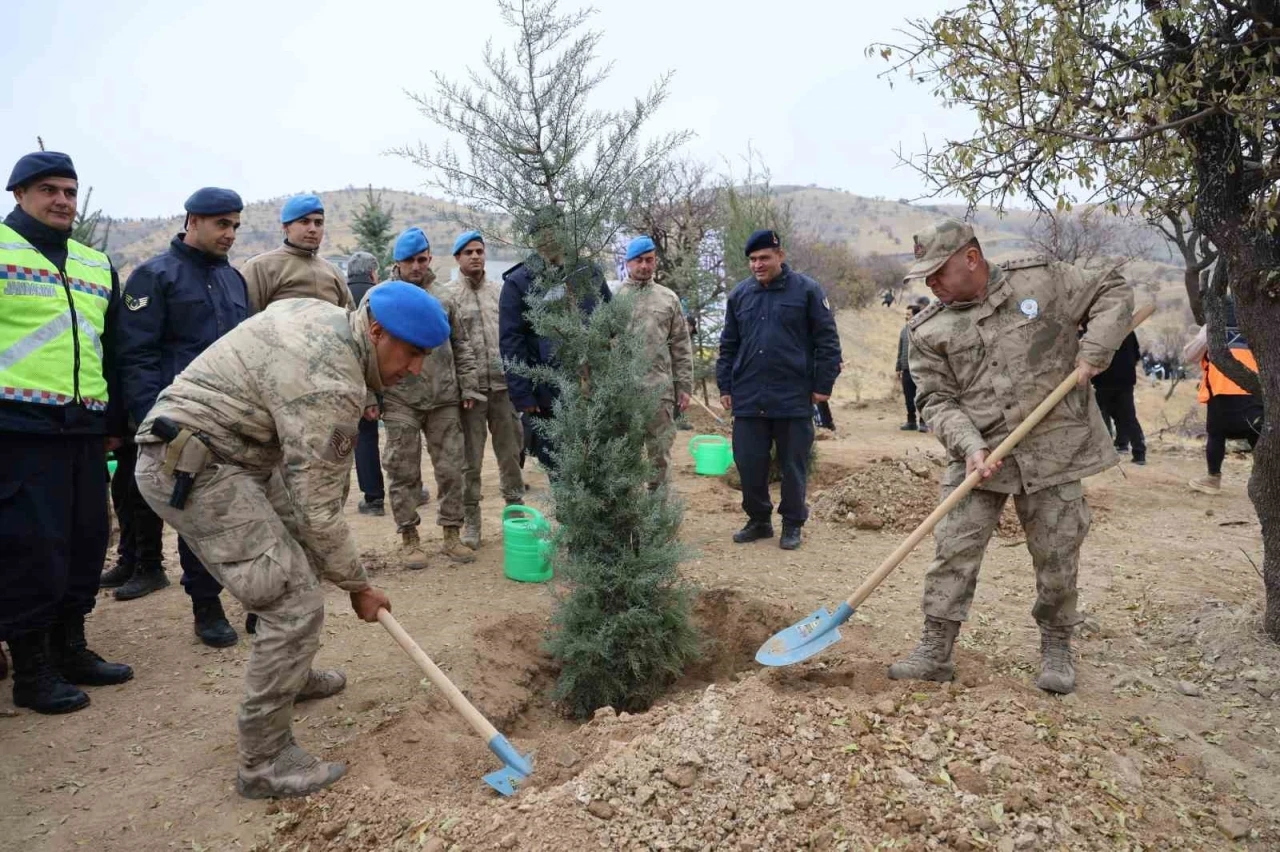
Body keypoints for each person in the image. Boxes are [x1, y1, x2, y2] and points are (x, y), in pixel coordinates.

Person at [134, 282, 446, 798]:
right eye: (412, 353)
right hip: (194, 468)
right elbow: (319, 509)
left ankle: (291, 676)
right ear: (376, 330)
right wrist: (359, 586)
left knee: (299, 561)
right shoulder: (332, 384)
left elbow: (308, 511)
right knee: (292, 599)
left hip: (236, 454)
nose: (415, 370)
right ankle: (265, 763)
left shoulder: (324, 316)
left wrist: (340, 572)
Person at [891, 218, 1132, 695]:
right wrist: (971, 446)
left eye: (938, 272)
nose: (931, 284)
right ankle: (935, 647)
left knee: (1058, 553)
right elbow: (935, 401)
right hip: (980, 454)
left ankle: (1057, 645)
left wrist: (1095, 349)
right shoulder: (928, 331)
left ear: (971, 257)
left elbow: (1112, 286)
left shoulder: (1042, 280)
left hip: (1054, 451)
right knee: (953, 548)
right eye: (926, 277)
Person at [0, 151, 133, 714]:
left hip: (84, 428)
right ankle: (31, 671)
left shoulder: (94, 263)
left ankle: (71, 647)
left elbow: (115, 348)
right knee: (34, 548)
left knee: (85, 540)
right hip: (18, 428)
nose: (62, 201)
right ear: (18, 194)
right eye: (48, 190)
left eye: (70, 192)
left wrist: (114, 422)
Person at [111, 188, 252, 647]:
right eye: (221, 224)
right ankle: (206, 608)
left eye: (234, 225)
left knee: (246, 513)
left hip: (234, 419)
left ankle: (257, 601)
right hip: (180, 423)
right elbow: (136, 355)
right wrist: (153, 421)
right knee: (196, 517)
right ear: (193, 220)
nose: (229, 233)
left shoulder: (234, 281)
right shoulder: (155, 276)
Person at [716, 229, 843, 551]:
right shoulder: (739, 296)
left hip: (792, 394)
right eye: (752, 260)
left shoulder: (808, 291)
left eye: (764, 258)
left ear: (780, 256)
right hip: (749, 395)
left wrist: (822, 385)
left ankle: (792, 523)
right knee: (749, 461)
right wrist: (725, 385)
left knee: (792, 464)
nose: (757, 265)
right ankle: (759, 520)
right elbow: (728, 345)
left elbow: (827, 341)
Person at [381, 228, 481, 569]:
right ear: (397, 262)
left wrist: (467, 385)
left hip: (443, 396)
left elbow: (461, 345)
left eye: (422, 259)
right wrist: (369, 395)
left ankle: (452, 534)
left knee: (452, 468)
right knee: (402, 469)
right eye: (409, 260)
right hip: (399, 399)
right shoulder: (383, 298)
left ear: (430, 259)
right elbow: (366, 350)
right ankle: (409, 538)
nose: (416, 266)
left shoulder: (444, 297)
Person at [499, 206, 612, 471]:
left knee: (602, 464)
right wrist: (523, 395)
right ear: (534, 239)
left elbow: (611, 321)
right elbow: (511, 342)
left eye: (555, 230)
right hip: (549, 396)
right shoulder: (519, 283)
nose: (549, 238)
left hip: (596, 389)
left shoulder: (589, 272)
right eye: (542, 233)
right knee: (561, 469)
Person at [440, 231, 524, 548]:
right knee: (469, 462)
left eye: (479, 251)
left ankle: (515, 514)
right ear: (457, 258)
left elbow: (515, 335)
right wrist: (461, 387)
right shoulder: (448, 297)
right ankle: (471, 522)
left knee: (510, 456)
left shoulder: (502, 293)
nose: (475, 256)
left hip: (504, 388)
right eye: (468, 252)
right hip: (470, 395)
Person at [617, 235, 694, 488]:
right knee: (624, 456)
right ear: (628, 263)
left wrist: (684, 386)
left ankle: (656, 515)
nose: (644, 266)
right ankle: (626, 514)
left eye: (649, 260)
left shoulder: (668, 299)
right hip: (623, 393)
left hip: (658, 391)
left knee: (658, 456)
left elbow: (681, 345)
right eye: (638, 260)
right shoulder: (613, 298)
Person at [1183, 303, 1263, 495]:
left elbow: (1190, 355)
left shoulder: (1214, 324)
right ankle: (1270, 481)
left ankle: (1212, 479)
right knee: (1258, 436)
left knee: (1217, 435)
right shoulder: (1260, 322)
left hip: (1222, 390)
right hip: (1255, 391)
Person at [241, 194, 352, 312]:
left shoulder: (334, 273)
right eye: (304, 222)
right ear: (286, 227)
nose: (313, 229)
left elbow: (350, 319)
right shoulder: (260, 267)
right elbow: (245, 321)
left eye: (318, 223)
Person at [343, 251, 387, 516]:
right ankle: (411, 491)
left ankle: (372, 499)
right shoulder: (379, 297)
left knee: (362, 438)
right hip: (380, 378)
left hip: (348, 379)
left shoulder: (338, 296)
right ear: (373, 273)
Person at [1091, 330, 1146, 465]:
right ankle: (1138, 452)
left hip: (1104, 380)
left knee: (1101, 416)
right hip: (1124, 380)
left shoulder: (1098, 329)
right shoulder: (1129, 330)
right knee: (1127, 416)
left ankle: (1106, 451)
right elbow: (1136, 355)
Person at [896, 303, 926, 431]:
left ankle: (923, 423)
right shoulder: (904, 330)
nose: (906, 317)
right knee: (909, 398)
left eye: (908, 314)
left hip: (921, 370)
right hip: (906, 369)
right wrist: (898, 367)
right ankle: (911, 422)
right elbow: (900, 349)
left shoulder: (924, 330)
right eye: (906, 314)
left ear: (916, 315)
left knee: (922, 397)